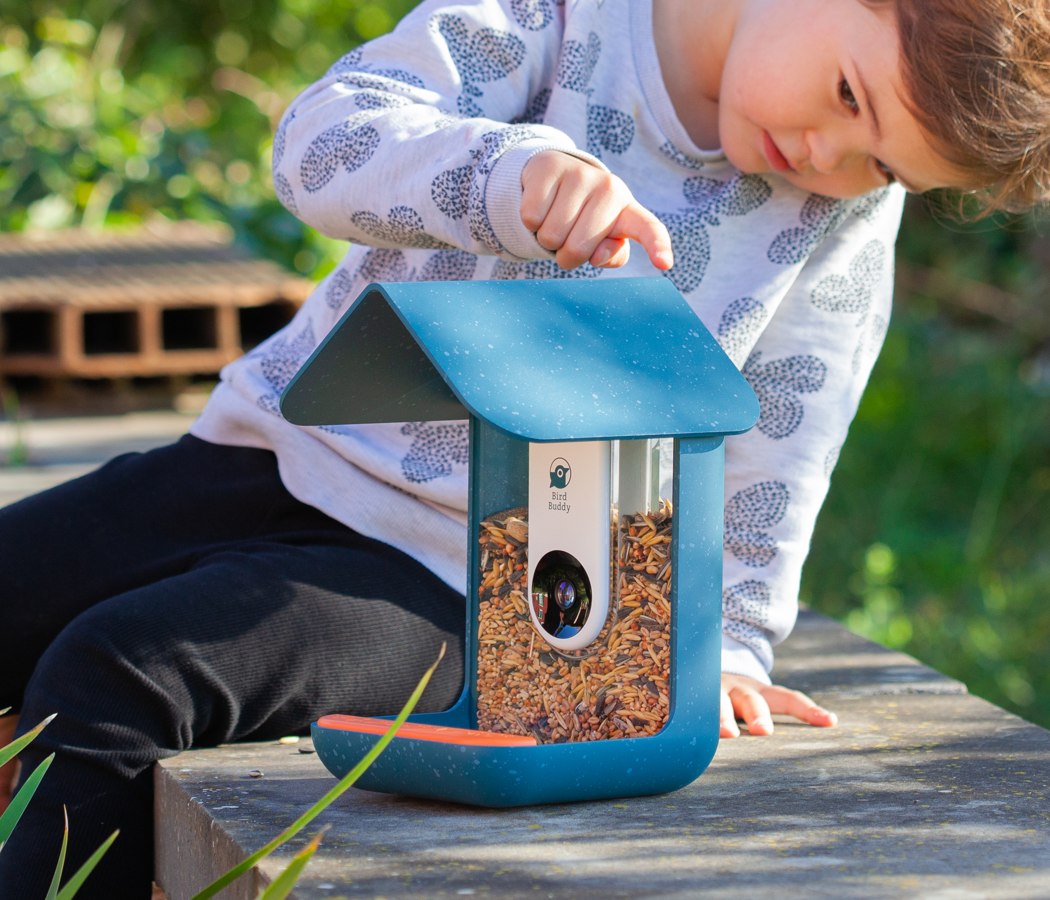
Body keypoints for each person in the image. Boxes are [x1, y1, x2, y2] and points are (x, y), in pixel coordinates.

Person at [2, 0, 1048, 894]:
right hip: (276, 452)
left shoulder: (835, 222)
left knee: (115, 673)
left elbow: (784, 426)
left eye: (880, 165)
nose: (828, 155)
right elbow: (320, 143)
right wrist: (510, 175)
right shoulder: (560, 22)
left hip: (471, 579)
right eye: (849, 98)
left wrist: (720, 640)